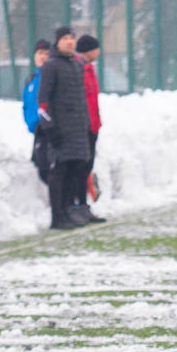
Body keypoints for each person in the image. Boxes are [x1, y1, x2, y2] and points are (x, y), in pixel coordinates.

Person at [37, 26, 91, 230]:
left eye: (72, 38)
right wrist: (50, 128)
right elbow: (43, 100)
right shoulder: (51, 66)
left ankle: (69, 211)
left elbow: (81, 98)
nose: (70, 42)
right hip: (60, 130)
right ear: (58, 42)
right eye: (65, 38)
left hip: (77, 129)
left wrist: (85, 123)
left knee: (75, 170)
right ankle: (57, 216)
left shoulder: (77, 64)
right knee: (58, 171)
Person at [72, 34, 106, 223]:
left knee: (86, 167)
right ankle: (78, 206)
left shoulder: (88, 68)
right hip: (84, 127)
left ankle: (84, 206)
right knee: (80, 168)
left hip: (92, 125)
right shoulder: (80, 68)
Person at [23, 39, 52, 183]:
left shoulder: (51, 77)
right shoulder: (31, 79)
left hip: (47, 129)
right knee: (37, 165)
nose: (43, 57)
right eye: (40, 53)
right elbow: (27, 105)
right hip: (36, 130)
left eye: (47, 54)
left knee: (46, 168)